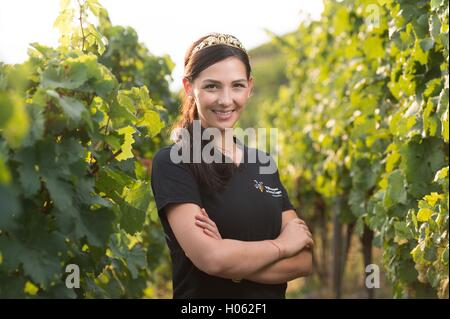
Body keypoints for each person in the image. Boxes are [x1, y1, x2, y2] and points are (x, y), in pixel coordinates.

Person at [150, 32, 314, 299]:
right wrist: (282, 246)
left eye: (237, 85)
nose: (226, 100)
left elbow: (304, 261)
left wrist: (233, 261)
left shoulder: (263, 163)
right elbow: (213, 259)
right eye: (212, 86)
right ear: (190, 88)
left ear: (249, 87)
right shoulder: (174, 162)